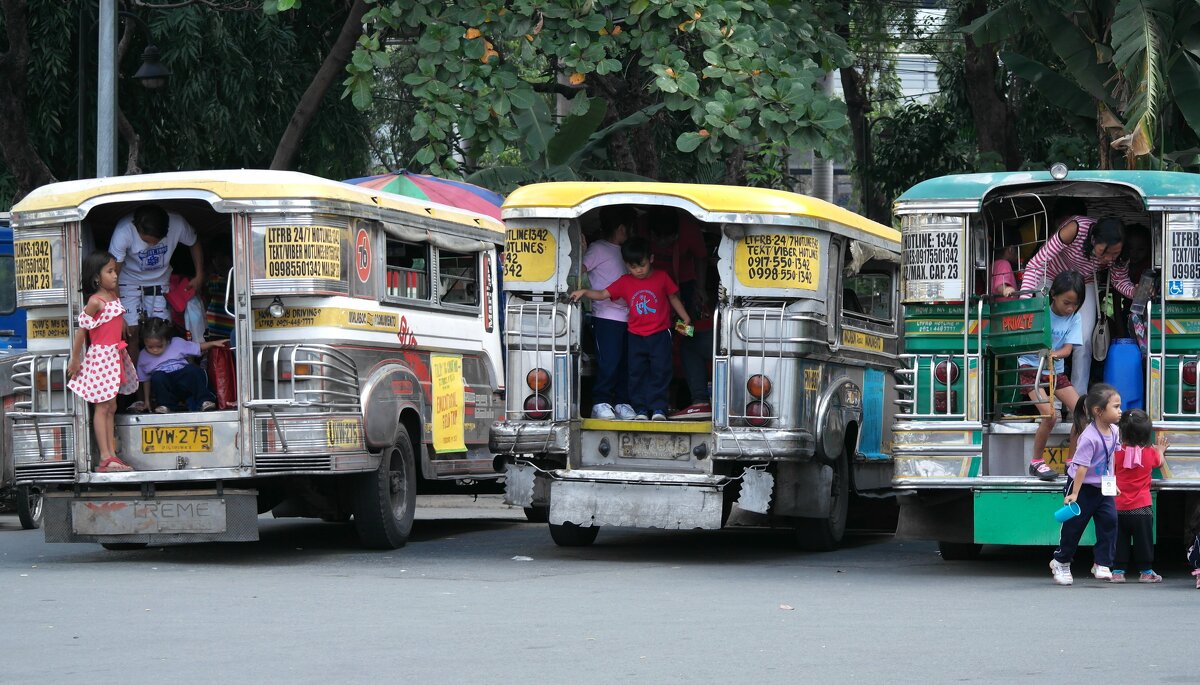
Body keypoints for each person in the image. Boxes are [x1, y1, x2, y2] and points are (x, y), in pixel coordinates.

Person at [570, 237, 691, 421]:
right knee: (636, 373)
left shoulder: (662, 277)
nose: (638, 270)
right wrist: (585, 292)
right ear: (626, 265)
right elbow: (603, 294)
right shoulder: (624, 281)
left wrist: (685, 318)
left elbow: (673, 297)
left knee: (660, 371)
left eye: (641, 265)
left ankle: (658, 409)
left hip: (660, 334)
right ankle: (640, 409)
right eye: (633, 267)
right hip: (635, 336)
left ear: (650, 259)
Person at [1021, 199, 1135, 391]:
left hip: (1084, 284)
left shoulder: (1119, 255)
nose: (1109, 259)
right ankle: (1041, 394)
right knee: (1044, 335)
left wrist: (1135, 291)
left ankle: (1076, 400)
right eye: (1104, 252)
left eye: (1114, 254)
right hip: (1051, 278)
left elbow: (1119, 282)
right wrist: (1024, 305)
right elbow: (1036, 265)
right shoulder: (1075, 228)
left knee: (1083, 341)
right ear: (1093, 240)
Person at [66, 251, 139, 473]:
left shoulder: (112, 297)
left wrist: (123, 323)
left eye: (114, 270)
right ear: (97, 278)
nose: (115, 275)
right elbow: (82, 331)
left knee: (111, 405)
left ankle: (112, 454)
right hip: (101, 357)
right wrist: (75, 359)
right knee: (102, 405)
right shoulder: (95, 301)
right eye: (109, 271)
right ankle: (105, 456)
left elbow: (113, 318)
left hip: (114, 355)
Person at [108, 204, 204, 363]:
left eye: (156, 242)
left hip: (160, 281)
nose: (152, 245)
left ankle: (165, 372)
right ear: (137, 228)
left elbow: (194, 242)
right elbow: (113, 274)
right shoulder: (123, 231)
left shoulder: (177, 223)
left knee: (162, 331)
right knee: (131, 332)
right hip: (127, 282)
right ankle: (137, 382)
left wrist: (200, 274)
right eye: (146, 241)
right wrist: (118, 311)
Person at [1049, 383, 1122, 586]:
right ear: (1098, 411)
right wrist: (1074, 494)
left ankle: (1102, 563)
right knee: (1074, 527)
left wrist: (1112, 481)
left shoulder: (1115, 431)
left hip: (1102, 487)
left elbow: (1111, 458)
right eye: (1115, 407)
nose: (1120, 411)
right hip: (1081, 486)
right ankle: (1061, 562)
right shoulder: (1089, 437)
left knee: (1109, 521)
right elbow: (1081, 468)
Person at [644, 208, 713, 420]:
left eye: (670, 239)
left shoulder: (689, 229)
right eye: (660, 240)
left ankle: (679, 399)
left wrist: (699, 290)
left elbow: (701, 257)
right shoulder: (642, 226)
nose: (664, 243)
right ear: (652, 235)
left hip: (684, 286)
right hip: (650, 293)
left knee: (686, 338)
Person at [1018, 270, 1085, 480]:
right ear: (1053, 295)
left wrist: (1054, 354)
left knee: (1083, 414)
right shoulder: (1039, 311)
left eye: (1075, 304)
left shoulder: (1075, 317)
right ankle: (1036, 462)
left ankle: (1072, 463)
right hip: (1031, 369)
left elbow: (1067, 350)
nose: (1070, 308)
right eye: (1067, 302)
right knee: (1051, 415)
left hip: (1055, 370)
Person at [581, 207, 636, 420]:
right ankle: (600, 401)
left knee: (626, 362)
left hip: (630, 318)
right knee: (609, 362)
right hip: (606, 317)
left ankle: (623, 402)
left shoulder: (626, 250)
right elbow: (578, 269)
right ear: (622, 229)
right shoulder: (598, 249)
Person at [1110, 409, 1166, 583]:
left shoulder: (1117, 452)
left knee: (1119, 540)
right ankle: (1146, 572)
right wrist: (1161, 450)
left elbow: (1111, 469)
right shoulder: (1149, 453)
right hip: (1142, 508)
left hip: (1118, 507)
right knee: (1144, 541)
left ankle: (1118, 572)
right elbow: (1159, 462)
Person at [137, 317, 226, 413]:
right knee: (157, 377)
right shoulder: (143, 356)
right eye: (150, 347)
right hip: (167, 387)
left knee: (193, 370)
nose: (154, 350)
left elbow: (198, 347)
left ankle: (205, 401)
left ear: (167, 340)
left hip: (184, 382)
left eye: (159, 346)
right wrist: (146, 401)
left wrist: (213, 343)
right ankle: (165, 405)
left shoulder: (177, 343)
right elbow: (145, 381)